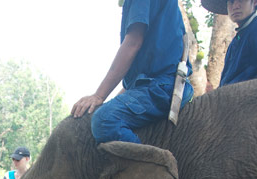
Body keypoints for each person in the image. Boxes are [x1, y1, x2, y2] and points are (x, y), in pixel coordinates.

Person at [71, 0, 192, 143]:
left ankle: (150, 165)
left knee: (105, 120)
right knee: (108, 110)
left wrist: (98, 95)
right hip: (160, 85)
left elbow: (133, 43)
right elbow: (138, 78)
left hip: (163, 87)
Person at [203, 0, 257, 87]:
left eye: (241, 0)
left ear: (255, 2)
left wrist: (249, 90)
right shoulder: (234, 42)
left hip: (250, 97)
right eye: (231, 2)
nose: (236, 6)